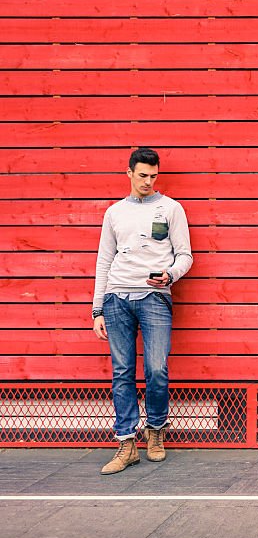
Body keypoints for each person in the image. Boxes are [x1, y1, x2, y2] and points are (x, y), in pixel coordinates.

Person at [92, 148, 193, 474]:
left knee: (156, 368)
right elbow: (104, 261)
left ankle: (156, 432)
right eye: (142, 175)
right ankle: (126, 444)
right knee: (122, 372)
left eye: (153, 175)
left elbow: (185, 256)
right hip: (117, 298)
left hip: (154, 297)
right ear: (129, 173)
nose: (148, 181)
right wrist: (97, 310)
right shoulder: (115, 213)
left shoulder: (171, 208)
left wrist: (170, 275)